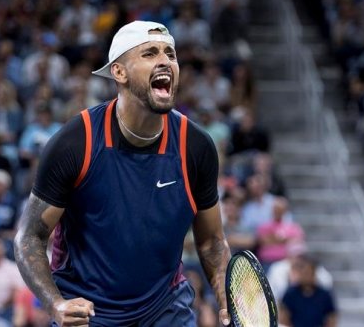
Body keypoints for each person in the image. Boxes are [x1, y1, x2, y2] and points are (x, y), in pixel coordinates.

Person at [14, 21, 231, 326]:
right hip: (87, 311)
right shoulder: (77, 142)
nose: (165, 61)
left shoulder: (195, 146)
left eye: (170, 53)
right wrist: (55, 304)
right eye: (150, 53)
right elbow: (29, 238)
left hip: (163, 309)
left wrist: (226, 304)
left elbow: (211, 242)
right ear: (119, 72)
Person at [279, 253, 338, 327]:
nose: (307, 276)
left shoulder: (325, 295)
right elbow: (284, 318)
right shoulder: (290, 294)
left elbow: (331, 317)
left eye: (310, 272)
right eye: (305, 273)